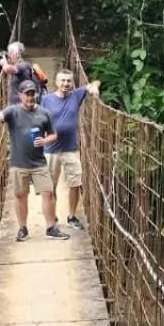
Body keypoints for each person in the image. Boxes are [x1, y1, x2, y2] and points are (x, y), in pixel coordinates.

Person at [0, 81, 69, 241]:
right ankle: (22, 228)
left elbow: (53, 134)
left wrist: (44, 141)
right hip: (19, 163)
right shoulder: (13, 111)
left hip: (39, 163)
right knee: (21, 196)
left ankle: (51, 228)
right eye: (27, 94)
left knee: (48, 193)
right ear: (20, 95)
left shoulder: (44, 113)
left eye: (33, 94)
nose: (30, 97)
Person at [41, 71, 100, 229]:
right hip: (51, 149)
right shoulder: (46, 100)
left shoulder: (76, 95)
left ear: (72, 83)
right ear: (56, 82)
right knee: (50, 186)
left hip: (71, 148)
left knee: (75, 183)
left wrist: (94, 88)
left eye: (68, 81)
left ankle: (71, 216)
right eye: (63, 80)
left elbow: (94, 83)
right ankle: (52, 217)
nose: (66, 83)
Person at [0, 41, 37, 106]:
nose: (9, 56)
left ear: (17, 55)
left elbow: (7, 69)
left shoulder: (22, 66)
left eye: (10, 53)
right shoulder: (19, 65)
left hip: (21, 105)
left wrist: (4, 63)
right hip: (17, 105)